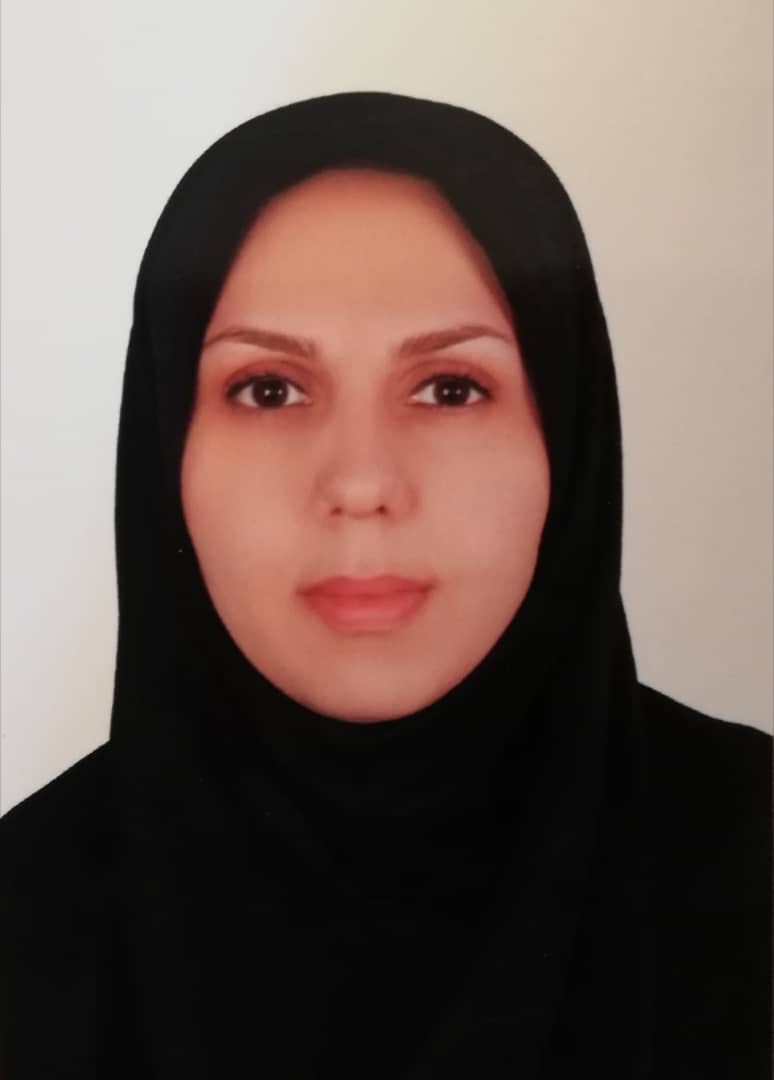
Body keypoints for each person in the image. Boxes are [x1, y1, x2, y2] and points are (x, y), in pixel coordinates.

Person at [1, 91, 770, 1079]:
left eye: (450, 389)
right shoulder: (23, 917)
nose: (361, 484)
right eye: (268, 390)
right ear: (165, 448)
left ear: (567, 437)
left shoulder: (754, 858)